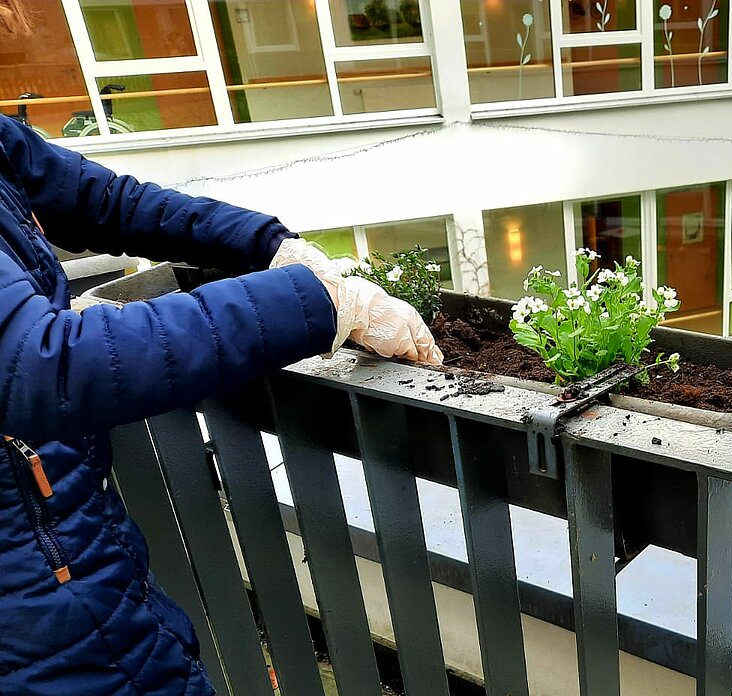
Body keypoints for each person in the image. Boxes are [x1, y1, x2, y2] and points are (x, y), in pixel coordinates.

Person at [0, 10, 442, 694]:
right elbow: (46, 362)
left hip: (61, 545)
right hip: (34, 605)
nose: (22, 26)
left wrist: (265, 243)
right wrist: (321, 304)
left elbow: (104, 202)